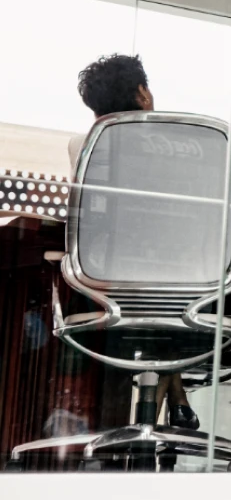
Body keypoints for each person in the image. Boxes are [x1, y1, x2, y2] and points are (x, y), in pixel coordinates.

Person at [70, 55, 197, 430]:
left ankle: (149, 426)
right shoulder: (187, 146)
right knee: (165, 316)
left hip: (108, 289)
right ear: (142, 94)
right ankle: (174, 403)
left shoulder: (85, 145)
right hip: (185, 291)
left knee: (149, 315)